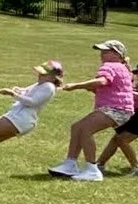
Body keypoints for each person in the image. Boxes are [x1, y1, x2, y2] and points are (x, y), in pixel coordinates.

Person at [0, 62, 65, 181]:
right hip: (19, 118)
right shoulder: (41, 84)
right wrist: (17, 90)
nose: (39, 75)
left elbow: (33, 102)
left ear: (53, 77)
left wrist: (13, 94)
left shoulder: (48, 87)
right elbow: (25, 91)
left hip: (20, 119)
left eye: (43, 74)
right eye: (39, 73)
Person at [51, 39, 133, 182]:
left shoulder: (109, 66)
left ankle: (91, 169)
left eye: (105, 52)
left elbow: (102, 81)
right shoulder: (122, 67)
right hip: (120, 109)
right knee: (77, 127)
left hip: (115, 108)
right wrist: (91, 88)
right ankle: (70, 163)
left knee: (85, 130)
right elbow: (110, 88)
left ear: (117, 54)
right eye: (101, 51)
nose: (101, 54)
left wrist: (77, 85)